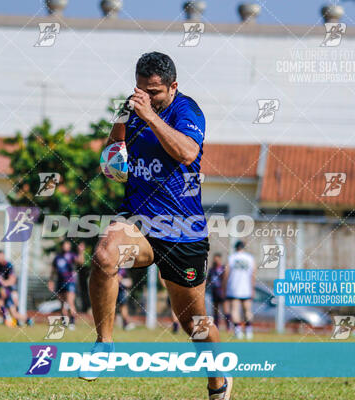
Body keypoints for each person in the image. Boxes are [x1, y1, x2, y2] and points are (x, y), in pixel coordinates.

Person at [84, 52, 232, 398]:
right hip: (138, 221)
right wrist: (116, 141)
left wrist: (149, 116)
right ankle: (104, 345)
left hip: (183, 232)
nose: (145, 98)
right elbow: (112, 151)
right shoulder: (131, 109)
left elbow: (187, 153)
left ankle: (218, 379)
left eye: (154, 92)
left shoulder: (187, 111)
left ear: (173, 87)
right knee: (105, 256)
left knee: (193, 326)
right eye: (140, 90)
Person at [49, 240, 85, 331]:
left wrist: (81, 252)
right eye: (65, 244)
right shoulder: (57, 258)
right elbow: (53, 271)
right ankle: (64, 322)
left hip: (70, 282)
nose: (66, 246)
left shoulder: (72, 256)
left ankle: (72, 322)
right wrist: (51, 281)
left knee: (70, 302)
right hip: (60, 282)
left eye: (68, 245)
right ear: (62, 246)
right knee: (62, 304)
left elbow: (81, 262)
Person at [223, 241, 256, 340]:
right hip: (246, 288)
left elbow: (226, 274)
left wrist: (224, 287)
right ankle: (249, 331)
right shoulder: (250, 258)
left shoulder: (232, 258)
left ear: (236, 248)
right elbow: (253, 274)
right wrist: (252, 288)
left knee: (235, 310)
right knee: (247, 310)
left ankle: (238, 332)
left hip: (234, 287)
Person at [207, 253, 226, 330]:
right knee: (215, 310)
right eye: (215, 259)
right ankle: (216, 326)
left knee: (225, 309)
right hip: (214, 291)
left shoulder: (223, 268)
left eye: (217, 259)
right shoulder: (212, 269)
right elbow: (208, 279)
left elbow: (225, 279)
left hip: (222, 291)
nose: (216, 261)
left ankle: (228, 327)